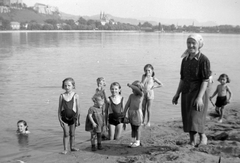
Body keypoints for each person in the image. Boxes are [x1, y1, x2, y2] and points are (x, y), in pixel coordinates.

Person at [172, 34, 211, 147]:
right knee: (188, 117)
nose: (191, 45)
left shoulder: (203, 60)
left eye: (193, 43)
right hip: (186, 92)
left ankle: (203, 136)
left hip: (198, 92)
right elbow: (183, 79)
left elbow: (205, 80)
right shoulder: (185, 60)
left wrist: (199, 98)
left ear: (199, 44)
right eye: (189, 42)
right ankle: (192, 141)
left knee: (196, 116)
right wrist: (177, 94)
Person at [58, 77, 80, 154]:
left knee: (72, 133)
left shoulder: (76, 95)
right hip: (64, 118)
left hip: (73, 117)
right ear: (63, 86)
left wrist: (78, 119)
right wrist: (59, 119)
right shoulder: (62, 96)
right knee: (66, 134)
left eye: (69, 85)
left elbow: (78, 108)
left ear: (73, 86)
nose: (67, 87)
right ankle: (65, 149)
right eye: (65, 85)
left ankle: (72, 147)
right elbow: (59, 109)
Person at [124, 81, 144, 147]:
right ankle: (133, 140)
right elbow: (127, 105)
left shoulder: (141, 95)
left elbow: (137, 90)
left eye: (133, 89)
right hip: (131, 113)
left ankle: (137, 141)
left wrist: (130, 85)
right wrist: (124, 113)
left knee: (137, 128)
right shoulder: (131, 96)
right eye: (132, 89)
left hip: (137, 113)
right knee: (133, 128)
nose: (132, 90)